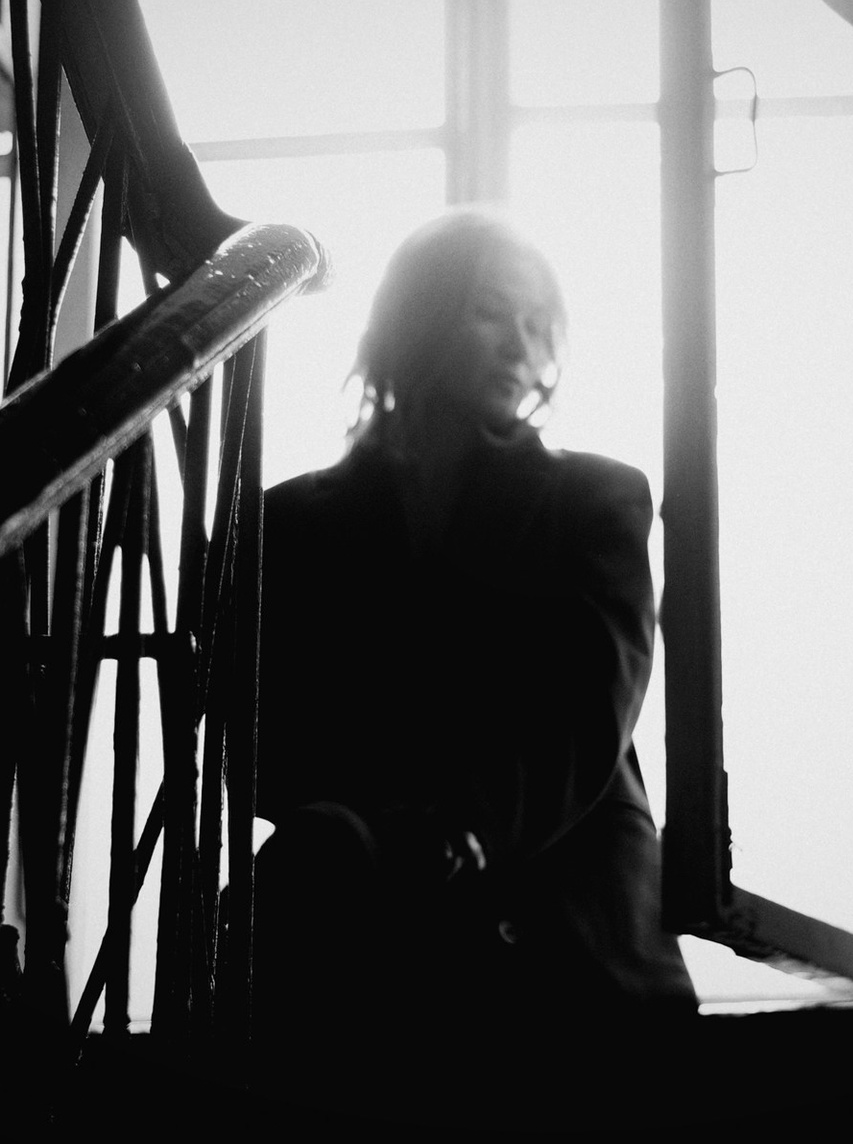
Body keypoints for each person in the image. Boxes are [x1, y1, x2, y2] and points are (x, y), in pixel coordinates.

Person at [250, 208, 695, 1089]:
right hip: (374, 942)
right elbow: (258, 730)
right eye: (492, 310)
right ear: (417, 315)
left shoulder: (596, 499)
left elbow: (587, 710)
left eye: (538, 322)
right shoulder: (286, 522)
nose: (521, 344)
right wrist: (374, 835)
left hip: (571, 932)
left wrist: (459, 833)